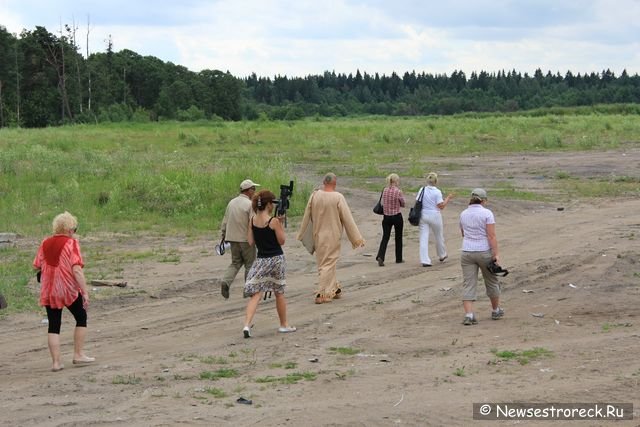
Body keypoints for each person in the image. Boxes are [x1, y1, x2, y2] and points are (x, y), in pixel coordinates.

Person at [33, 211, 95, 372]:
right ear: (70, 229)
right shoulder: (71, 244)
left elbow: (37, 265)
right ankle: (78, 354)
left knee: (54, 325)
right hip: (67, 288)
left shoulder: (45, 242)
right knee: (81, 317)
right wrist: (85, 291)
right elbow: (77, 270)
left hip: (49, 289)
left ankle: (56, 363)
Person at [297, 173, 365, 304]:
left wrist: (303, 233)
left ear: (324, 182)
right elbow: (347, 218)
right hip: (332, 235)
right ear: (335, 183)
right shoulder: (338, 197)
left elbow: (307, 216)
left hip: (317, 234)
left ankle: (334, 289)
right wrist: (357, 238)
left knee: (325, 262)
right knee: (327, 264)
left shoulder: (314, 195)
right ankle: (321, 293)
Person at [242, 190, 296, 338]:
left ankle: (247, 324)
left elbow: (250, 241)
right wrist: (280, 224)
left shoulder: (252, 220)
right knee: (279, 292)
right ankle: (283, 324)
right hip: (276, 259)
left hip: (261, 260)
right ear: (268, 204)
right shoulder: (273, 221)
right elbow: (282, 241)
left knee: (256, 294)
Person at [459, 188, 504, 325]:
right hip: (484, 251)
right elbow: (491, 235)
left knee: (468, 283)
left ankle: (469, 315)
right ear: (484, 200)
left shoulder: (463, 214)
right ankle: (495, 310)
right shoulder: (487, 213)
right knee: (491, 281)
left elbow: (463, 233)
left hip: (466, 251)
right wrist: (496, 253)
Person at [219, 179, 260, 299]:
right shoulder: (249, 204)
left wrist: (223, 235)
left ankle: (226, 281)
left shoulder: (231, 203)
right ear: (249, 190)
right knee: (250, 264)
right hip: (245, 239)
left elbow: (225, 221)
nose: (255, 192)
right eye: (254, 189)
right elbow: (254, 222)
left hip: (232, 238)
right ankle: (248, 290)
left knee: (235, 262)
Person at [418, 172, 453, 267]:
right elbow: (441, 206)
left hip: (423, 214)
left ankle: (425, 259)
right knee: (438, 236)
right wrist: (448, 199)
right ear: (436, 181)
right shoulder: (437, 192)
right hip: (435, 215)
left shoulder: (422, 189)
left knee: (423, 237)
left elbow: (418, 201)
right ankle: (442, 254)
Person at [375, 173, 405, 266]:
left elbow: (383, 203)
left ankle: (381, 256)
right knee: (398, 237)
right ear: (396, 181)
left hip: (386, 217)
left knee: (385, 237)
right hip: (396, 216)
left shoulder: (385, 190)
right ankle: (398, 258)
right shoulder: (398, 191)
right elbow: (403, 204)